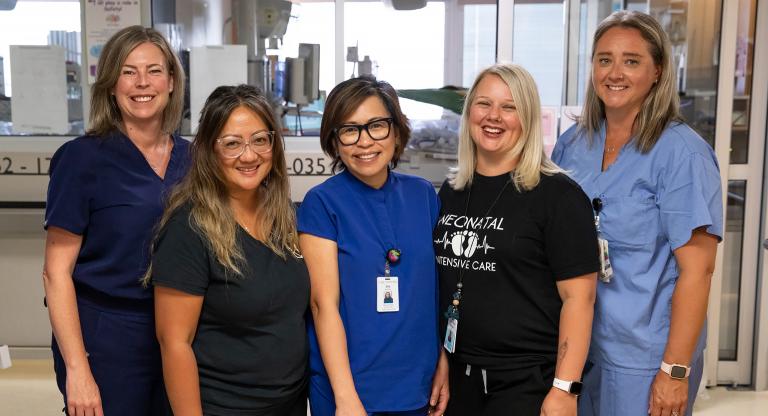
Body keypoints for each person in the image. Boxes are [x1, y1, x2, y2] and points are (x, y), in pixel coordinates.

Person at [551, 10, 723, 416]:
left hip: (644, 358)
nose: (615, 72)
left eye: (632, 61)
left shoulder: (682, 154)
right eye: (604, 59)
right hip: (578, 348)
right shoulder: (572, 145)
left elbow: (698, 271)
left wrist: (674, 371)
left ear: (658, 71)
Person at [433, 63, 599, 416]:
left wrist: (565, 389)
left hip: (527, 384)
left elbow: (579, 300)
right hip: (461, 380)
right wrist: (443, 360)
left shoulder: (558, 196)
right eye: (483, 104)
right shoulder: (452, 190)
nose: (494, 117)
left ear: (527, 118)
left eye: (509, 107)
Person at [42, 25, 187, 416]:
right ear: (110, 84)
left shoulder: (194, 160)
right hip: (107, 338)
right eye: (128, 71)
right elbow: (56, 274)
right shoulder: (80, 159)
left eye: (154, 70)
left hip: (182, 332)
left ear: (172, 81)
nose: (142, 82)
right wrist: (78, 369)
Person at [146, 84, 309, 416]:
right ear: (208, 150)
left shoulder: (285, 216)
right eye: (232, 144)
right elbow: (175, 345)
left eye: (260, 140)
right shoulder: (188, 228)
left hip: (289, 403)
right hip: (224, 406)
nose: (249, 156)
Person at [297, 75, 449, 416]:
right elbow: (324, 306)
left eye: (376, 126)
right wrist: (346, 397)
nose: (364, 142)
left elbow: (432, 295)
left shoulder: (423, 195)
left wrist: (443, 359)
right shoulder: (321, 204)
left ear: (396, 131)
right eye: (349, 130)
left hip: (418, 386)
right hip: (350, 391)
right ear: (335, 141)